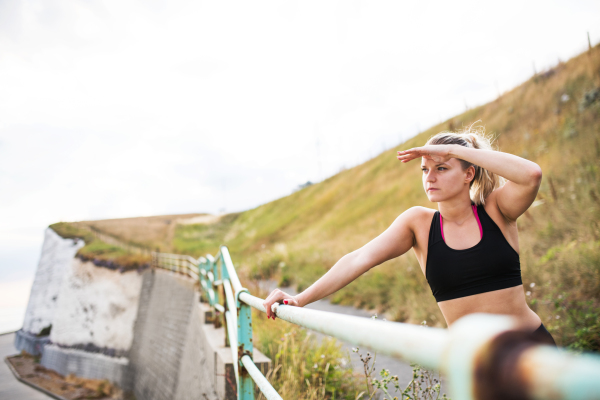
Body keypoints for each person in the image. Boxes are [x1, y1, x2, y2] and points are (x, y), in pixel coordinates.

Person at [262, 122, 557, 346]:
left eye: (442, 167)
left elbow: (531, 175)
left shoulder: (496, 210)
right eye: (425, 169)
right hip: (477, 365)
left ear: (469, 173)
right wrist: (299, 299)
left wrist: (454, 149)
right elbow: (358, 259)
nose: (430, 177)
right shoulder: (418, 224)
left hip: (531, 349)